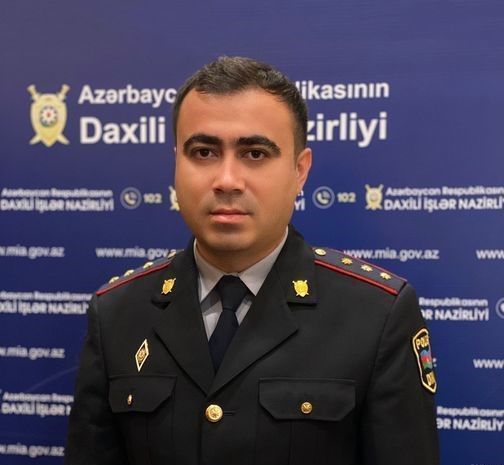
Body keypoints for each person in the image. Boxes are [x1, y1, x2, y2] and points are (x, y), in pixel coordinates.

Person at [65, 56, 439, 465]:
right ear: (176, 163)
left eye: (255, 154)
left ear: (300, 171)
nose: (227, 180)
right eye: (203, 152)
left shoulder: (376, 315)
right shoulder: (117, 313)